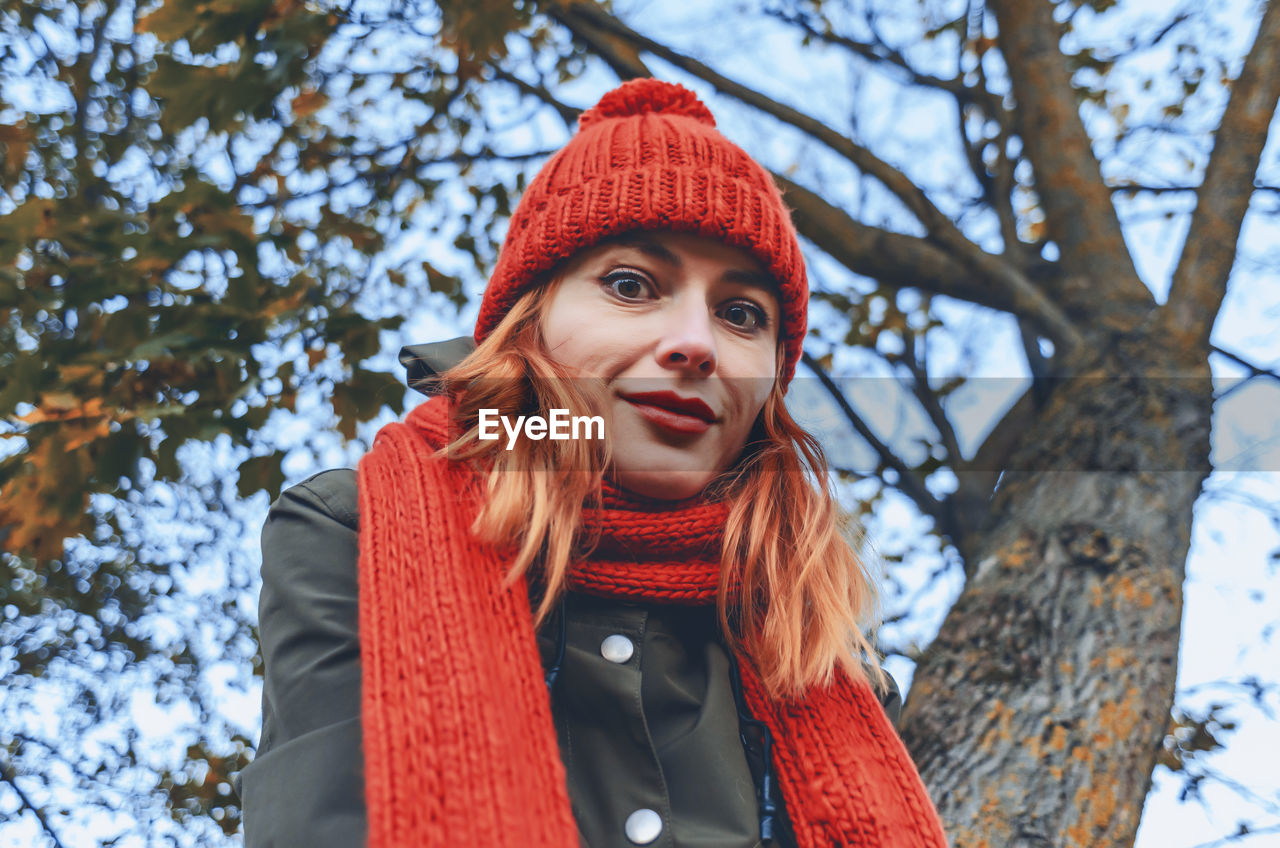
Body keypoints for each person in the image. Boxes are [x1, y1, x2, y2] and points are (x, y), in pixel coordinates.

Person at [233, 78, 948, 848]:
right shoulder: (350, 532)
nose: (697, 344)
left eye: (740, 314)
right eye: (632, 285)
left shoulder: (829, 663)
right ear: (529, 324)